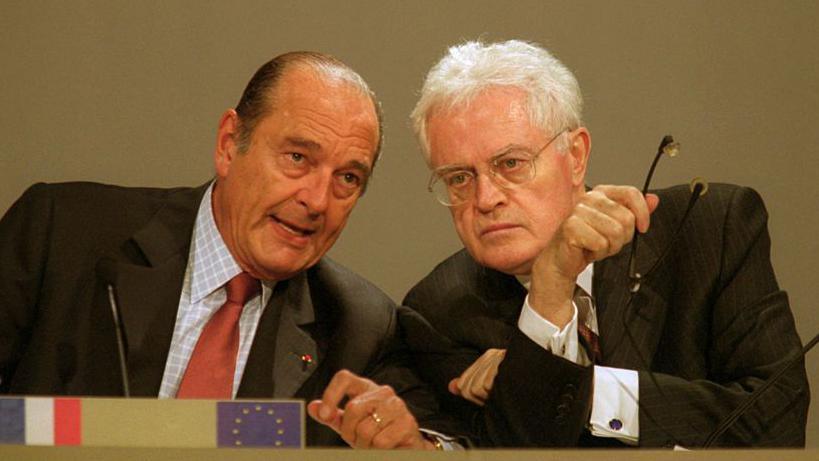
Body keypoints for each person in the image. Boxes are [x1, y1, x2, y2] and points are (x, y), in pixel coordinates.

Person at [0, 51, 449, 449]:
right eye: (297, 158)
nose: (317, 200)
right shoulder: (61, 234)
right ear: (229, 144)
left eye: (347, 178)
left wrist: (416, 447)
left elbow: (433, 440)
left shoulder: (360, 324)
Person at [400, 40, 810, 448]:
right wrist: (548, 292)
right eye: (458, 178)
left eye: (511, 164)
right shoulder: (437, 314)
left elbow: (775, 426)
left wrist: (577, 386)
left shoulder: (709, 229)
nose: (485, 199)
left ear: (575, 156)